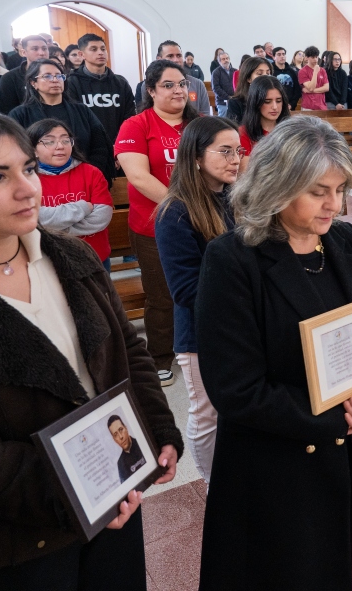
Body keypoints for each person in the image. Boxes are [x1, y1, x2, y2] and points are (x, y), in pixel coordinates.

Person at [195, 115, 352, 590]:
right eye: (319, 191)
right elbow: (236, 389)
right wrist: (338, 417)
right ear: (277, 187)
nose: (336, 204)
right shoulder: (233, 260)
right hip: (278, 473)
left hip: (349, 463)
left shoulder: (343, 240)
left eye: (341, 189)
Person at [0, 115, 181, 590]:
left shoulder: (69, 255)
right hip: (26, 532)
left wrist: (159, 428)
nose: (26, 189)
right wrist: (73, 492)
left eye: (28, 169)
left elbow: (128, 350)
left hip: (114, 494)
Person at [154, 116, 240, 484]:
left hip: (240, 324)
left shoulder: (233, 198)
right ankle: (212, 484)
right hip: (200, 335)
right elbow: (185, 290)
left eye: (238, 150)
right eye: (225, 151)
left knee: (236, 408)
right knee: (207, 414)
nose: (235, 159)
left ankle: (237, 477)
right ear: (195, 157)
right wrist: (245, 289)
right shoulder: (175, 212)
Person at [115, 60, 199, 387]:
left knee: (203, 288)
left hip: (201, 223)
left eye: (181, 84)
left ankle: (198, 348)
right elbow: (137, 176)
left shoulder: (199, 124)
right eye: (168, 84)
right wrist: (184, 206)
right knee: (163, 295)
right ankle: (160, 357)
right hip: (154, 227)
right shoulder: (137, 125)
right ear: (151, 90)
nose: (178, 90)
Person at [10, 59, 115, 180]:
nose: (55, 80)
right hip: (39, 181)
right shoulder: (20, 114)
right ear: (33, 83)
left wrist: (89, 173)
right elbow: (17, 151)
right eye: (47, 76)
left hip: (85, 177)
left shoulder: (82, 110)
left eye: (59, 76)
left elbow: (100, 145)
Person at [29, 117, 113, 263]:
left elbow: (102, 217)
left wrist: (56, 228)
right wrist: (82, 207)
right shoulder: (27, 179)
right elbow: (35, 219)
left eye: (65, 140)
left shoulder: (91, 172)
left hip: (93, 257)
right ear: (33, 150)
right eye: (49, 141)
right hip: (48, 260)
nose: (60, 146)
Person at [63, 34, 138, 148]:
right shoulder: (72, 82)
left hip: (119, 146)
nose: (100, 52)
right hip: (88, 148)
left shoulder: (120, 82)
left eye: (103, 49)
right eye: (94, 49)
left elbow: (129, 116)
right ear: (82, 54)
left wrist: (119, 144)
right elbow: (75, 119)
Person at [140, 41, 211, 116]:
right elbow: (148, 113)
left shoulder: (198, 84)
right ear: (159, 59)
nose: (176, 60)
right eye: (170, 56)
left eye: (179, 56)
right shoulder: (149, 85)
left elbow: (205, 116)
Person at [238, 74, 291, 170]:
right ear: (256, 102)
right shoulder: (242, 134)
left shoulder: (291, 131)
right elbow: (246, 173)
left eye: (278, 101)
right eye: (267, 101)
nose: (275, 107)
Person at [0, 35, 51, 114]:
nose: (41, 53)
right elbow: (8, 111)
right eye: (35, 49)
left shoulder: (57, 74)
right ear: (24, 52)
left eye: (44, 49)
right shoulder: (10, 78)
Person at [223, 55, 272, 123]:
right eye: (259, 74)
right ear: (248, 78)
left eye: (268, 73)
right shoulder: (236, 103)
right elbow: (233, 129)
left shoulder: (275, 99)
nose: (265, 77)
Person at [108, 415, 147, 482]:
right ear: (114, 439)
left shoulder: (142, 443)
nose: (120, 437)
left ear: (126, 428)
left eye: (121, 429)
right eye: (115, 434)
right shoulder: (120, 464)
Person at [298, 45, 330, 111]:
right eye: (313, 57)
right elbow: (311, 87)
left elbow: (326, 88)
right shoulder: (302, 71)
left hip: (321, 106)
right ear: (307, 58)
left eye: (316, 57)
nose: (315, 59)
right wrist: (315, 72)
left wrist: (310, 91)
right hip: (308, 106)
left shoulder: (322, 70)